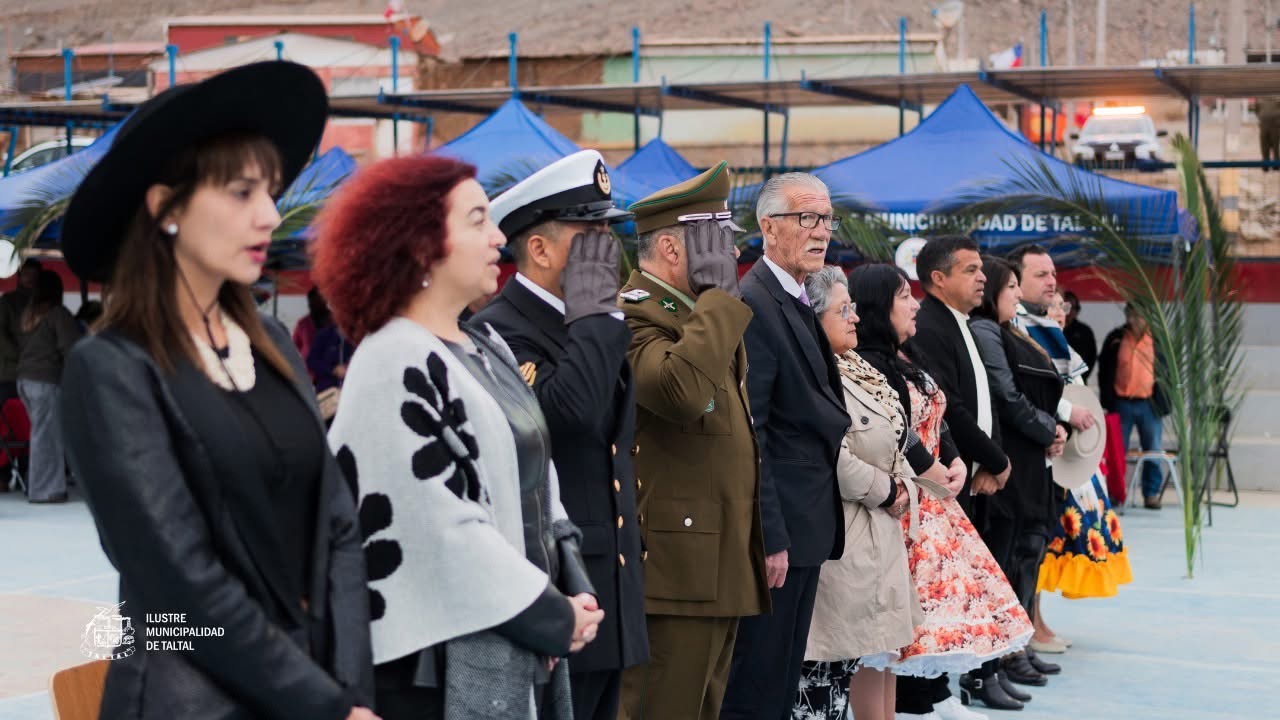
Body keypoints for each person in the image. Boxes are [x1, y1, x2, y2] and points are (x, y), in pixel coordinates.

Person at [57, 62, 377, 719]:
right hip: (190, 701)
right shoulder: (112, 369)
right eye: (240, 192)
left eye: (272, 191)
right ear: (164, 208)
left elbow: (338, 525)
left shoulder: (268, 342)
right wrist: (325, 704)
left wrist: (349, 687)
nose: (269, 214)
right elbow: (179, 587)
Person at [314, 153, 604, 720]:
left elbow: (542, 488)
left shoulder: (487, 347)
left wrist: (576, 588)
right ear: (420, 244)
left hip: (517, 633)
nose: (499, 236)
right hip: (436, 667)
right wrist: (553, 616)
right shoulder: (393, 359)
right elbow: (444, 529)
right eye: (476, 220)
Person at [468, 149, 647, 720]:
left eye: (606, 231)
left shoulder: (590, 316)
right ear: (539, 249)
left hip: (609, 583)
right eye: (588, 232)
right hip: (560, 586)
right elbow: (566, 417)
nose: (605, 248)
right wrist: (596, 314)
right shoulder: (501, 329)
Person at [614, 163, 769, 720]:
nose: (729, 258)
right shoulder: (632, 314)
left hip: (718, 555)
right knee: (664, 707)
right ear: (674, 251)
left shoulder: (695, 314)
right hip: (676, 566)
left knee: (703, 706)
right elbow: (678, 392)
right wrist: (720, 301)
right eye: (719, 243)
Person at [850, 263, 1031, 720]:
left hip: (933, 499)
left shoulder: (905, 356)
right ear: (878, 308)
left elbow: (938, 416)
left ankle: (920, 701)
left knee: (913, 629)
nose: (913, 305)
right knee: (888, 634)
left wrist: (952, 459)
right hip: (904, 505)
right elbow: (897, 432)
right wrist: (932, 469)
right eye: (902, 298)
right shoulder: (866, 365)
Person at [720, 173, 850, 720]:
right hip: (782, 534)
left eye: (826, 219)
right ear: (767, 227)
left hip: (806, 524)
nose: (821, 232)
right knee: (758, 682)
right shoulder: (755, 302)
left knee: (780, 679)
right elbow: (755, 432)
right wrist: (770, 535)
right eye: (807, 219)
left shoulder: (795, 296)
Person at [794, 267, 917, 720]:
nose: (854, 319)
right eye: (842, 310)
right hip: (847, 537)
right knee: (828, 678)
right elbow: (835, 455)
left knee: (877, 659)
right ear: (812, 316)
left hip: (881, 535)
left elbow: (895, 437)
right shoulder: (816, 371)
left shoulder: (860, 368)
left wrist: (904, 484)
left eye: (854, 308)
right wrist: (886, 490)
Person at [903, 236, 1016, 714]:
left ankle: (945, 686)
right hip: (947, 475)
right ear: (938, 279)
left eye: (980, 270)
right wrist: (993, 458)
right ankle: (925, 695)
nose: (982, 277)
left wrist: (986, 460)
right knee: (935, 592)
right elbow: (955, 410)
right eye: (970, 270)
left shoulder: (963, 322)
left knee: (963, 589)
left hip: (964, 470)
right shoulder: (929, 326)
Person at [969, 257, 1066, 690]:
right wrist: (1047, 428)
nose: (1013, 293)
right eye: (1009, 285)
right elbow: (1006, 395)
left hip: (1032, 460)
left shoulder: (1009, 330)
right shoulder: (987, 330)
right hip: (1014, 460)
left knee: (1028, 553)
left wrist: (1052, 429)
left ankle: (1017, 644)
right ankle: (1003, 652)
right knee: (1009, 557)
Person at [1034, 291, 1132, 645]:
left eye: (1063, 307)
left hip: (1072, 458)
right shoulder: (1034, 348)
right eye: (1052, 307)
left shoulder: (1065, 351)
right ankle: (1032, 621)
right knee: (1044, 545)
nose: (1059, 313)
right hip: (1049, 456)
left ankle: (1037, 620)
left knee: (1052, 543)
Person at [15, 269, 82, 503]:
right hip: (46, 380)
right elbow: (71, 348)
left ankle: (38, 486)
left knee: (41, 434)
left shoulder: (28, 314)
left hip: (24, 380)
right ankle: (45, 491)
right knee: (47, 436)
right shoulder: (58, 314)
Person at [1097, 303, 1168, 509]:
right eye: (1133, 316)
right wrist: (1107, 399)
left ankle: (1151, 493)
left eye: (1141, 316)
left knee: (1153, 449)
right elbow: (1105, 369)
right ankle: (1116, 492)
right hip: (1122, 402)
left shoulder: (1158, 340)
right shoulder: (1116, 338)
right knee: (1117, 451)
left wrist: (1164, 402)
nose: (1136, 321)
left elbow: (1167, 372)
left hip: (1149, 403)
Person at [0, 258, 42, 403]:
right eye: (26, 274)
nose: (30, 278)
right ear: (19, 276)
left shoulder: (43, 304)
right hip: (11, 372)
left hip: (36, 372)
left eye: (34, 275)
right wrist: (18, 355)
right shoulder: (7, 301)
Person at [1059, 291, 1097, 383]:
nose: (1069, 312)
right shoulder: (1050, 328)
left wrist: (1081, 375)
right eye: (1066, 307)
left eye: (1073, 308)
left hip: (1078, 380)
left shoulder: (1084, 331)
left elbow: (1091, 357)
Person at [293, 286, 331, 378]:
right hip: (308, 375)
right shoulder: (303, 323)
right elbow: (293, 347)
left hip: (330, 373)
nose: (312, 305)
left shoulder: (336, 323)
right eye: (310, 302)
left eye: (316, 301)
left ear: (325, 301)